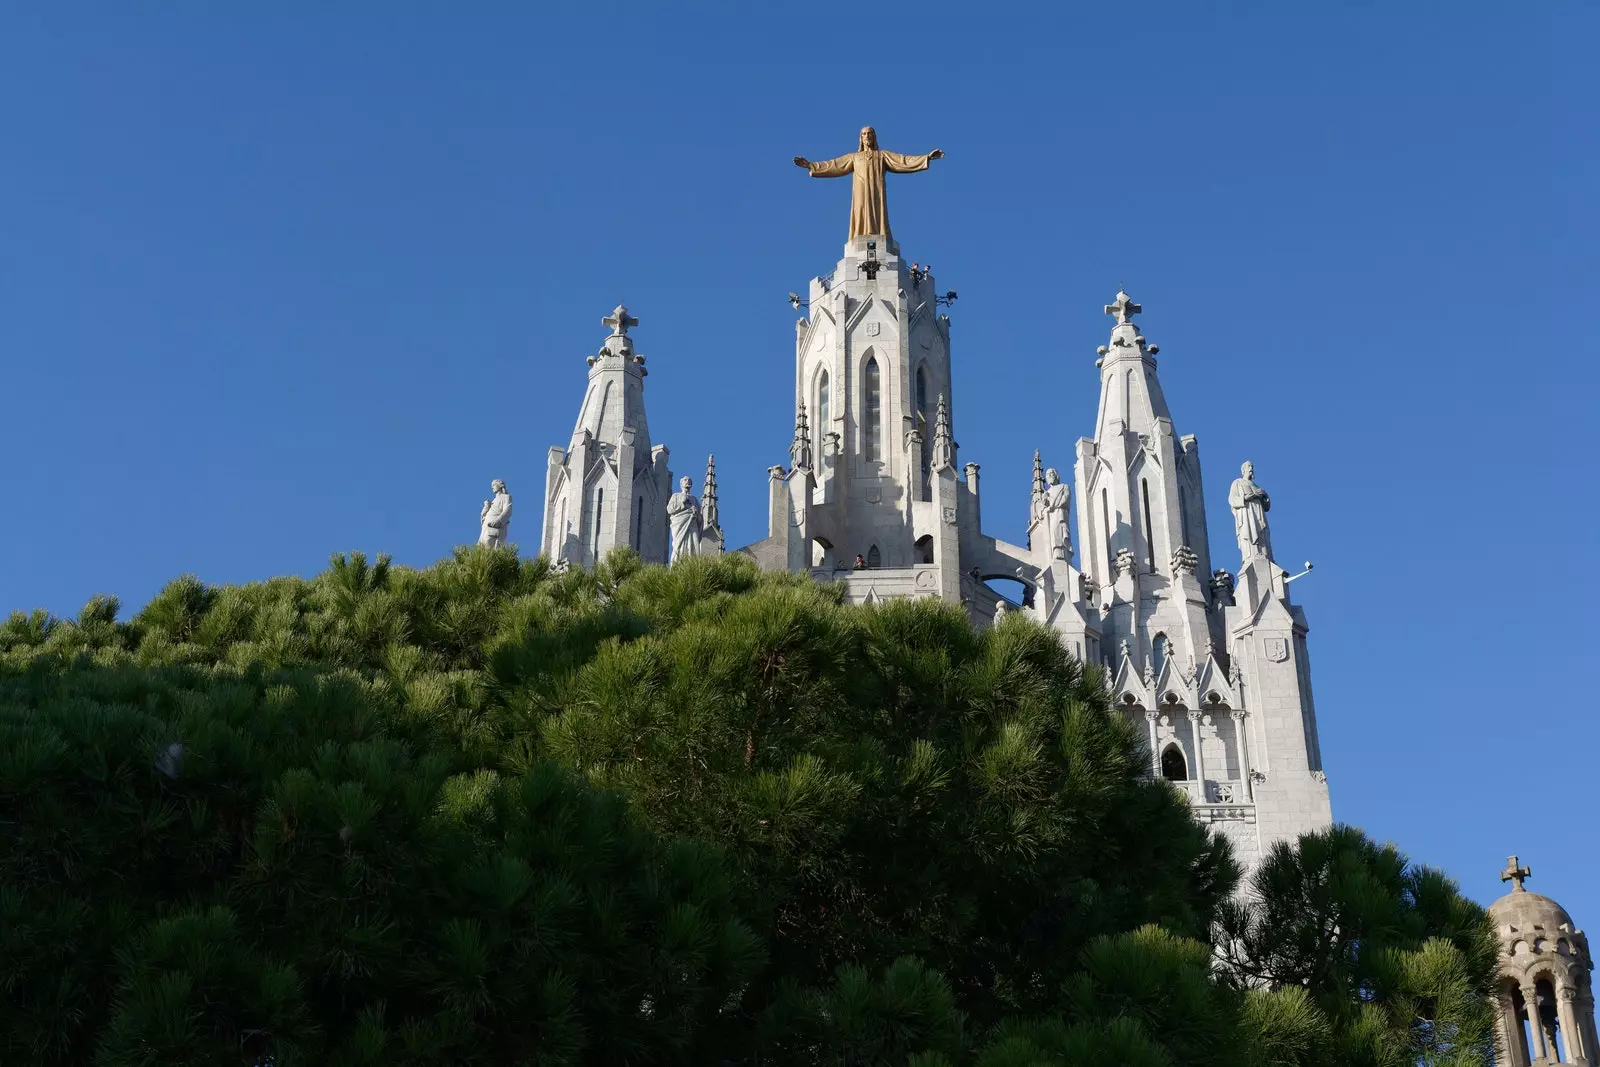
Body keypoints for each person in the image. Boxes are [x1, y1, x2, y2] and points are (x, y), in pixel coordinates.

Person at [478, 479, 512, 548]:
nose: (492, 487)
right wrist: (486, 507)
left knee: (489, 546)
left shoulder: (506, 497)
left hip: (494, 528)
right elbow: (483, 517)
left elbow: (508, 511)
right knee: (481, 548)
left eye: (494, 485)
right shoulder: (492, 502)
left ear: (500, 486)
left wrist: (498, 521)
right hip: (486, 528)